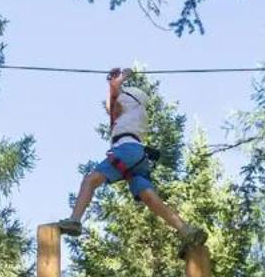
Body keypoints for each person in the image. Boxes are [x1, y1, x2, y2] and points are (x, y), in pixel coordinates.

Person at [54, 68, 207, 250]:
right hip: (138, 157)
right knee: (149, 197)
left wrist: (122, 76)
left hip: (127, 151)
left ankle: (75, 220)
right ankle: (186, 230)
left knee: (90, 180)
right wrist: (112, 85)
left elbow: (114, 92)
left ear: (129, 99)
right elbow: (112, 105)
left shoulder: (131, 107)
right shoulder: (133, 115)